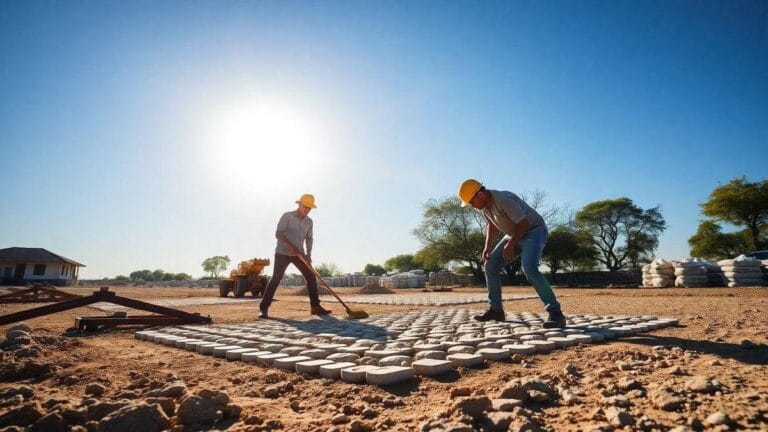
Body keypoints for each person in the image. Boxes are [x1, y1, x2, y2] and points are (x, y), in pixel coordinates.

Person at [458, 179, 566, 328]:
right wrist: (487, 246)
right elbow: (491, 225)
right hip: (513, 234)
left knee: (529, 269)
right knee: (490, 265)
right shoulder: (483, 208)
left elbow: (524, 224)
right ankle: (496, 310)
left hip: (533, 231)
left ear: (480, 194)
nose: (471, 206)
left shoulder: (503, 199)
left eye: (471, 202)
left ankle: (556, 313)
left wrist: (511, 243)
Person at [258, 194, 332, 319]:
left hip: (299, 254)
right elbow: (278, 234)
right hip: (282, 252)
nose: (307, 210)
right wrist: (291, 246)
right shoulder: (287, 216)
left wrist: (308, 254)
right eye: (305, 207)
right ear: (299, 204)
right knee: (276, 277)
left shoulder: (309, 222)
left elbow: (309, 239)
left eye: (309, 208)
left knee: (311, 276)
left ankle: (315, 307)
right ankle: (263, 308)